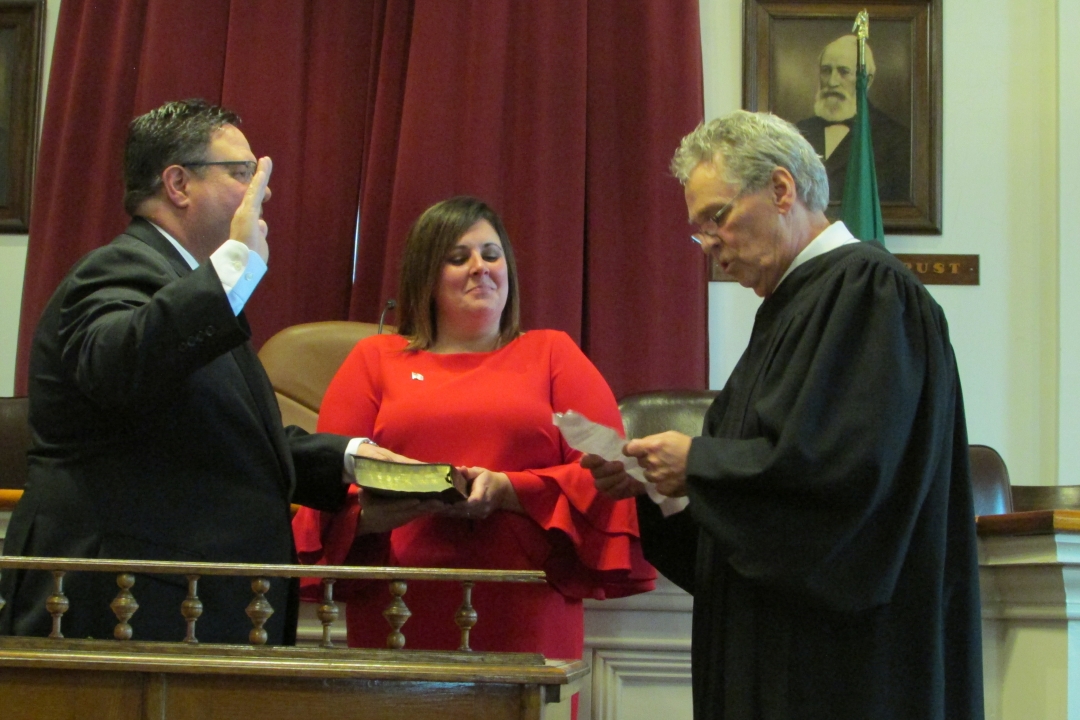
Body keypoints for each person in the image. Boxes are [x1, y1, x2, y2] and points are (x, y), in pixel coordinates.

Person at [584, 111, 983, 720]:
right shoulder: (791, 311)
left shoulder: (870, 294)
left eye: (717, 218)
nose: (710, 248)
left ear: (780, 189)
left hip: (845, 669)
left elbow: (846, 478)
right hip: (769, 653)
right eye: (698, 232)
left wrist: (699, 464)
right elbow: (749, 530)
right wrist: (656, 490)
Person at [0, 99, 399, 645]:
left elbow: (222, 440)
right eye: (241, 173)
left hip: (182, 610)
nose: (263, 192)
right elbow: (119, 366)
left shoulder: (190, 289)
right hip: (121, 612)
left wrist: (352, 460)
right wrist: (237, 263)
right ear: (178, 184)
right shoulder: (118, 270)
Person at [292, 196, 655, 664]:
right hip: (400, 604)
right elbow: (324, 492)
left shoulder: (553, 354)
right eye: (458, 257)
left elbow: (610, 477)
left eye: (491, 253)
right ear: (426, 274)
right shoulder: (373, 360)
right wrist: (392, 507)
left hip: (526, 602)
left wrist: (508, 490)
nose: (480, 268)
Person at [795, 34, 910, 203]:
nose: (832, 82)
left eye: (843, 72)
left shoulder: (894, 139)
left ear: (867, 80)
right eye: (826, 71)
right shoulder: (799, 133)